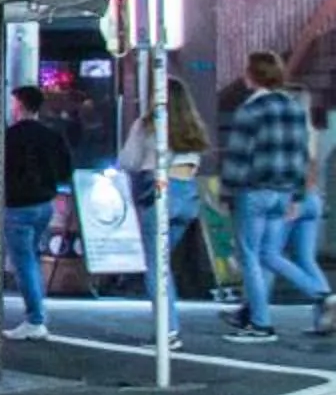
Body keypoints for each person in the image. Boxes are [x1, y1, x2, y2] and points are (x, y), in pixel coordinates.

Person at [220, 51, 332, 342]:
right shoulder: (294, 109)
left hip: (254, 191)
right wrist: (296, 195)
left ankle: (261, 323)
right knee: (270, 254)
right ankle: (320, 294)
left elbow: (238, 156)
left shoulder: (250, 110)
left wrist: (225, 192)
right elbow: (300, 156)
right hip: (285, 192)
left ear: (252, 75)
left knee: (251, 256)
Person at [120, 77, 210, 346]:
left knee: (156, 266)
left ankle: (167, 330)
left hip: (160, 192)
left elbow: (128, 160)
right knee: (164, 262)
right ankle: (169, 327)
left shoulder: (148, 125)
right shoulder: (192, 128)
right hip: (188, 193)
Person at [1, 85, 74, 340]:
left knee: (25, 264)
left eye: (13, 103)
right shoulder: (52, 136)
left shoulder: (10, 137)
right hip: (45, 205)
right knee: (30, 259)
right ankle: (38, 314)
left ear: (20, 105)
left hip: (18, 206)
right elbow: (66, 169)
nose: (11, 107)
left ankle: (35, 318)